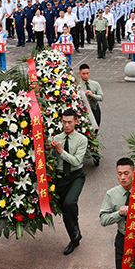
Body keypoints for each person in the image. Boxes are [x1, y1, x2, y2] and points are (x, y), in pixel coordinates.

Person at [50, 109, 88, 255]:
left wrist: (60, 150)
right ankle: (74, 239)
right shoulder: (56, 137)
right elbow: (53, 158)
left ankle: (75, 227)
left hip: (76, 176)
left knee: (70, 202)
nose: (66, 125)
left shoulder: (81, 139)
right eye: (64, 122)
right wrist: (50, 149)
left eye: (69, 122)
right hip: (60, 177)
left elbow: (77, 161)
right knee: (65, 211)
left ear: (75, 122)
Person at [99, 157, 134, 269]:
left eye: (126, 173)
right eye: (119, 174)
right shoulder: (111, 194)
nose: (123, 177)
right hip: (123, 239)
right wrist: (119, 214)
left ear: (133, 173)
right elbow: (103, 220)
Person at [78, 63, 104, 131]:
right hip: (84, 110)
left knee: (95, 129)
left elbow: (101, 97)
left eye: (87, 73)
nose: (86, 75)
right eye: (83, 73)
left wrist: (93, 95)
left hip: (95, 109)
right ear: (79, 73)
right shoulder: (78, 86)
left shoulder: (95, 84)